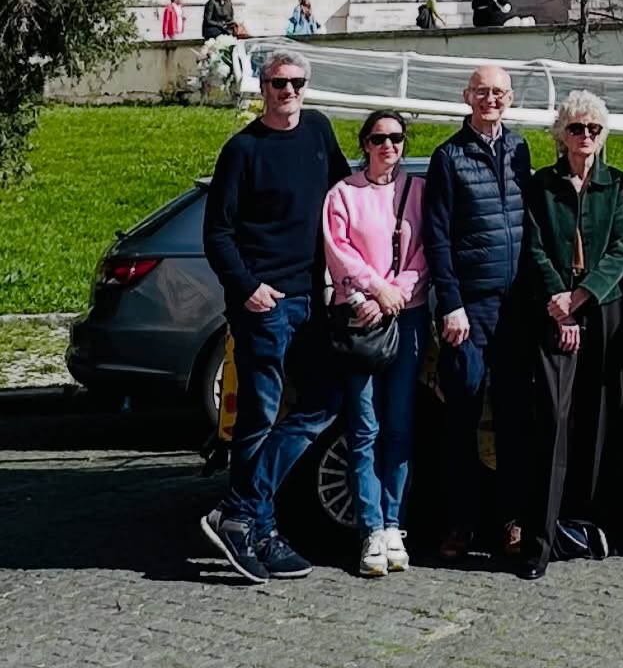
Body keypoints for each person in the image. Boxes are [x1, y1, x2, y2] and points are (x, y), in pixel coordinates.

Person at [199, 45, 349, 582]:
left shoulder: (318, 132)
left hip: (312, 299)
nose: (289, 92)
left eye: (297, 84)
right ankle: (256, 528)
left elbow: (342, 203)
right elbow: (216, 232)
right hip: (266, 304)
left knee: (323, 404)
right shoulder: (242, 150)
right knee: (258, 419)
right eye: (278, 84)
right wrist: (247, 288)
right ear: (263, 89)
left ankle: (242, 512)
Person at [517, 90, 623, 580]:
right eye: (576, 129)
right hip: (552, 310)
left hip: (600, 308)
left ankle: (588, 527)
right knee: (554, 419)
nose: (585, 137)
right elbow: (534, 245)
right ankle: (539, 540)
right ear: (561, 135)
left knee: (599, 416)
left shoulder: (618, 185)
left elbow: (622, 247)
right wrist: (559, 307)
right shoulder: (541, 186)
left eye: (594, 130)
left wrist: (582, 297)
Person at [422, 63, 533, 564]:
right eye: (482, 92)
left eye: (499, 93)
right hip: (468, 308)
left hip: (513, 308)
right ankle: (459, 523)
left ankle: (510, 520)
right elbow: (437, 236)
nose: (491, 100)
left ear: (510, 99)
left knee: (512, 419)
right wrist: (452, 304)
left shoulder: (520, 150)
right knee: (461, 417)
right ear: (468, 97)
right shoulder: (449, 156)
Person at [322, 110, 428, 576]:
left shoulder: (417, 192)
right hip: (360, 317)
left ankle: (393, 524)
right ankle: (369, 529)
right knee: (364, 426)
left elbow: (425, 252)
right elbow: (337, 249)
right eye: (380, 139)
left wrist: (395, 294)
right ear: (365, 143)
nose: (389, 147)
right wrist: (371, 291)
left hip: (406, 316)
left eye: (397, 139)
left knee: (401, 424)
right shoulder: (343, 193)